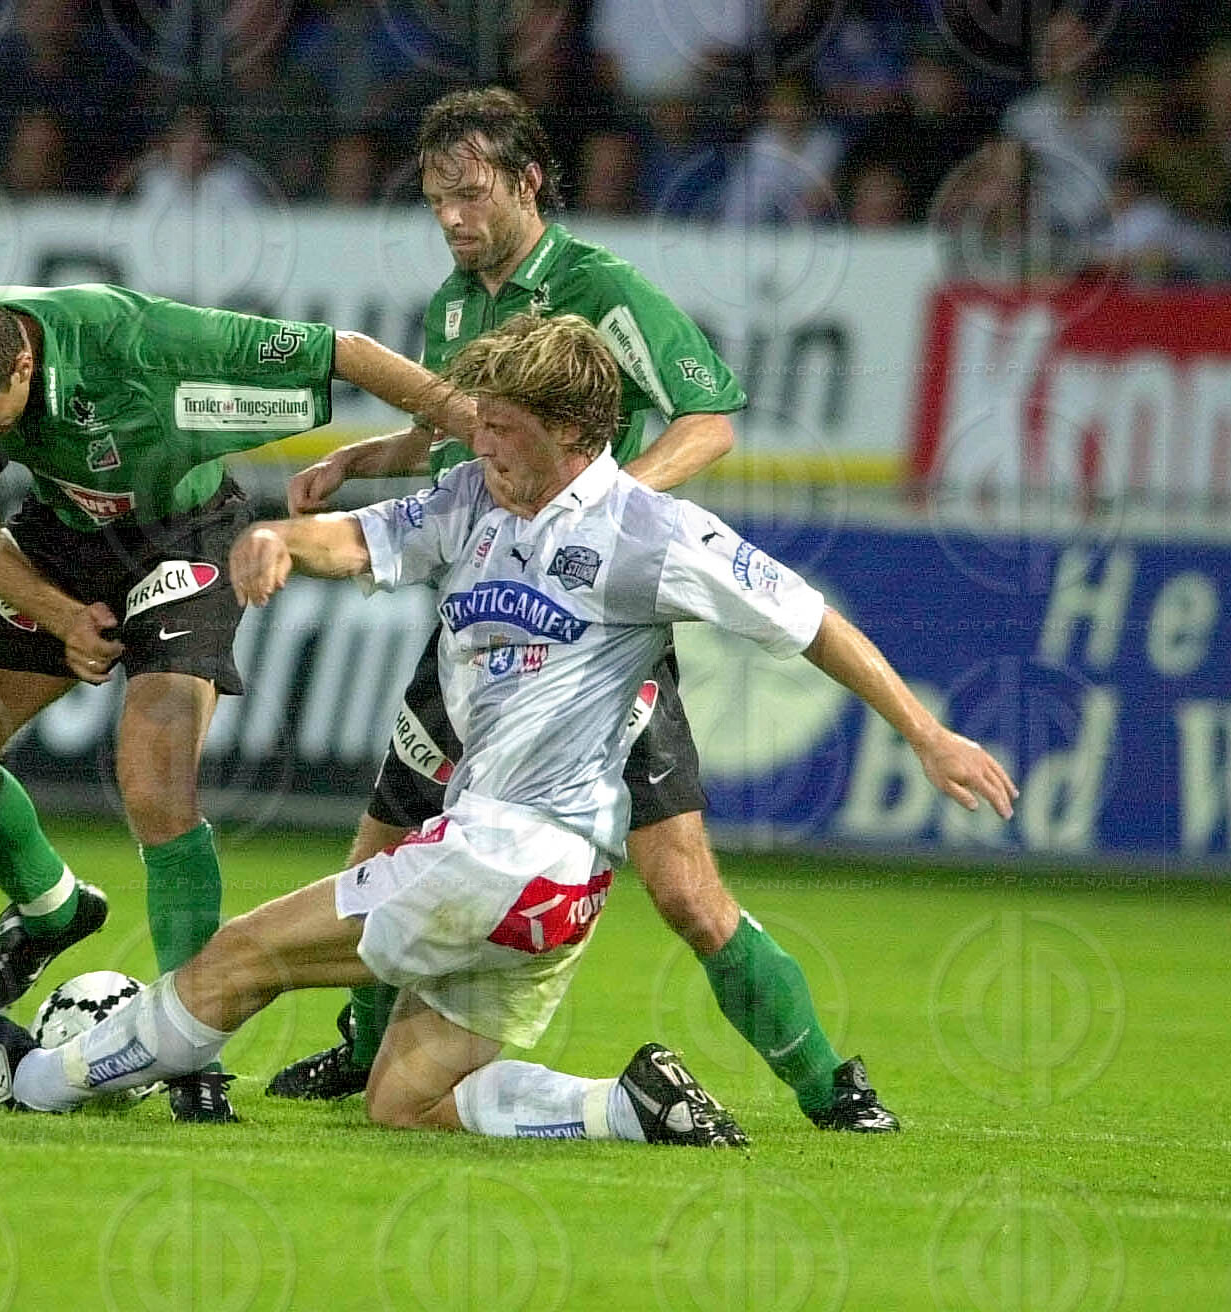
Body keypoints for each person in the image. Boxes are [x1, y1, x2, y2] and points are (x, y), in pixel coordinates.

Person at [0, 313, 1018, 1142]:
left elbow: (811, 621)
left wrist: (926, 735)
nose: (481, 437)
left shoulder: (651, 533)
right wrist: (284, 540)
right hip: (552, 895)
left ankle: (37, 1081)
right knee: (406, 1100)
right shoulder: (474, 495)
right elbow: (363, 537)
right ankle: (629, 1107)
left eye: (504, 425)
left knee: (240, 956)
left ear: (576, 433)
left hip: (501, 856)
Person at [271, 85, 901, 1134]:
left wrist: (605, 516)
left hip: (590, 643)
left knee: (684, 890)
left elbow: (709, 418)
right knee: (380, 844)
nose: (452, 218)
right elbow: (455, 434)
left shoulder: (600, 290)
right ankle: (364, 1045)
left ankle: (832, 1087)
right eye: (435, 200)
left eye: (471, 195)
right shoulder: (455, 305)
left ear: (526, 182)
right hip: (479, 625)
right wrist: (361, 458)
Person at [0, 284, 473, 1123]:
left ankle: (193, 1058)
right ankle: (52, 908)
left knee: (156, 787)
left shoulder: (142, 343)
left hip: (183, 535)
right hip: (56, 539)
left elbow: (341, 350)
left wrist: (474, 423)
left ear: (21, 364)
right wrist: (62, 617)